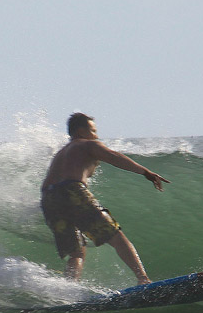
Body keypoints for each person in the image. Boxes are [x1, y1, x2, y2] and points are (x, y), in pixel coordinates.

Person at [41, 113, 169, 284]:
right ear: (81, 131)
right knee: (116, 236)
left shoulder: (61, 153)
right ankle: (143, 279)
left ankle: (68, 288)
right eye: (93, 130)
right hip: (72, 190)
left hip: (49, 198)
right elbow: (113, 156)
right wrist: (146, 172)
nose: (97, 135)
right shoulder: (87, 144)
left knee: (77, 252)